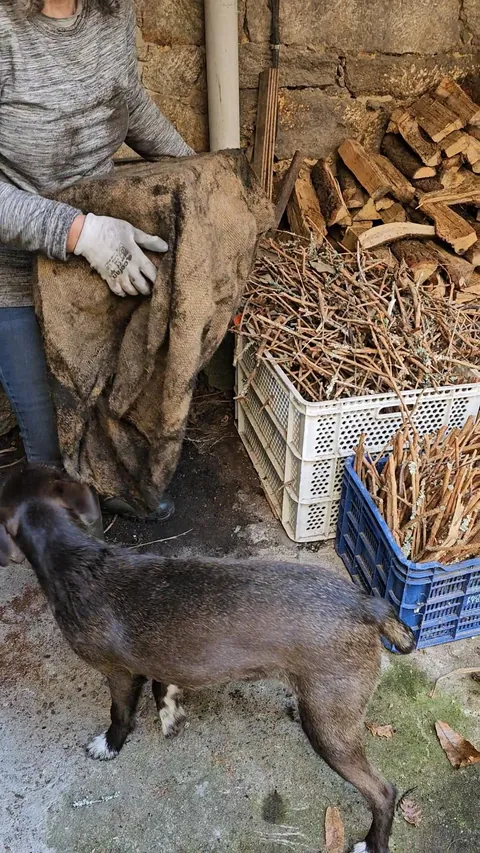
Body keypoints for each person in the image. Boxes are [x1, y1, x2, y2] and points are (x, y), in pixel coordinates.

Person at [0, 0, 195, 525]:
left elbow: (128, 101)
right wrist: (76, 231)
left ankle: (109, 484)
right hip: (17, 275)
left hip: (104, 253)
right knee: (52, 456)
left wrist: (196, 175)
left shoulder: (112, 14)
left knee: (111, 407)